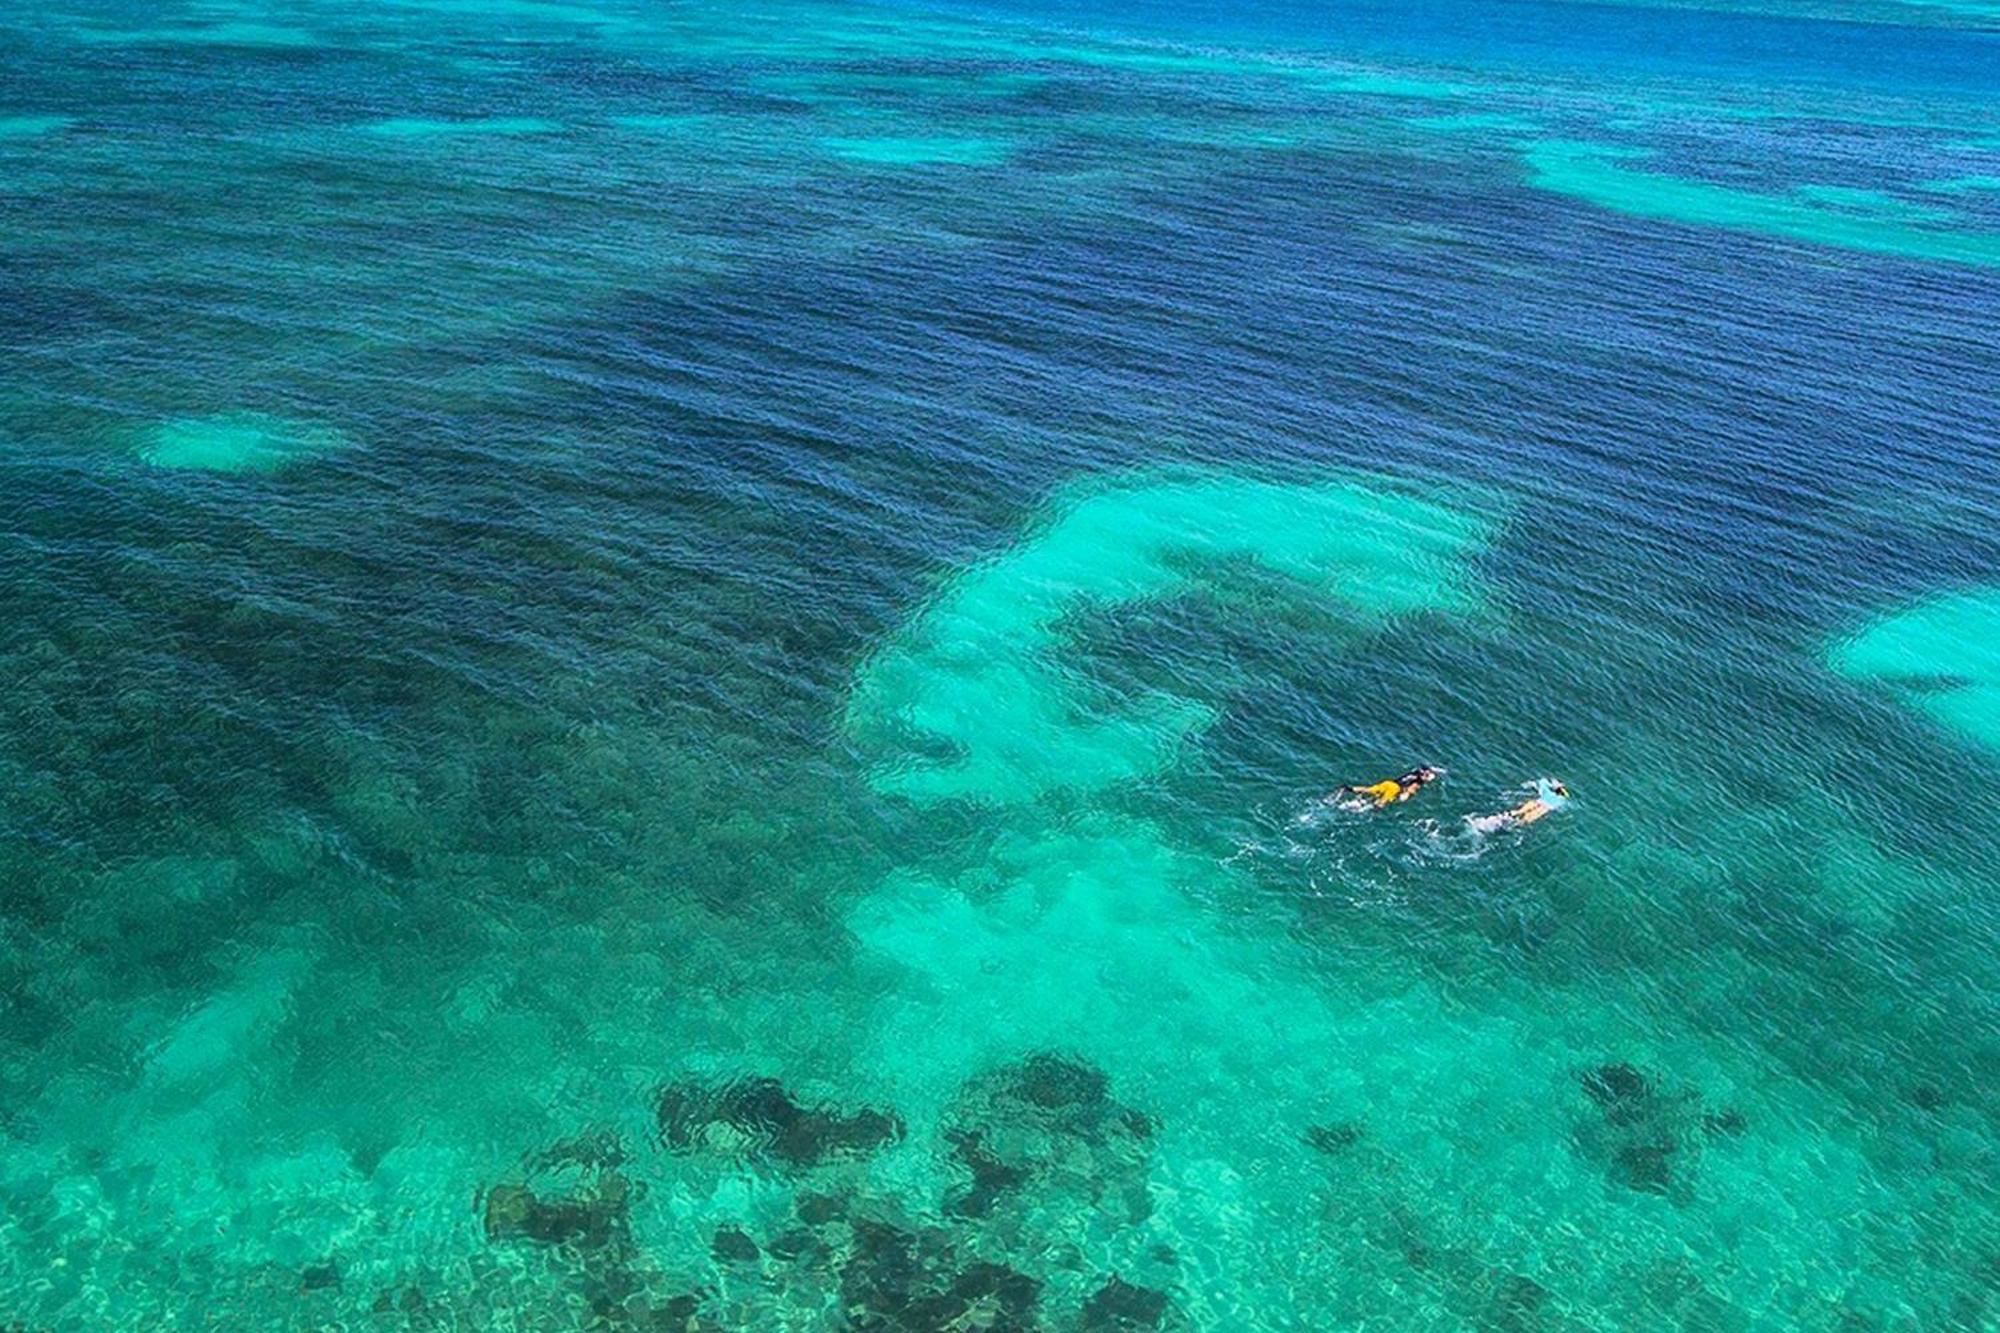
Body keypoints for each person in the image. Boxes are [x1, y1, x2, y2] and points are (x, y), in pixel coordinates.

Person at [1469, 778, 1570, 833]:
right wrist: (1560, 787)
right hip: (1544, 808)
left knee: (1517, 812)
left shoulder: (1548, 792)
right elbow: (1565, 799)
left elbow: (1542, 781)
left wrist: (1553, 784)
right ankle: (1502, 827)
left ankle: (1496, 820)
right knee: (1524, 821)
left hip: (1537, 802)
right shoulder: (1561, 800)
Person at [1335, 765, 1441, 808]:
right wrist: (1405, 796)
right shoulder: (1418, 782)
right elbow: (1410, 790)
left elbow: (1423, 769)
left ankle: (1348, 788)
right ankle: (1366, 812)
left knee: (1369, 790)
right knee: (1380, 804)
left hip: (1388, 783)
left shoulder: (1414, 772)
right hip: (1395, 788)